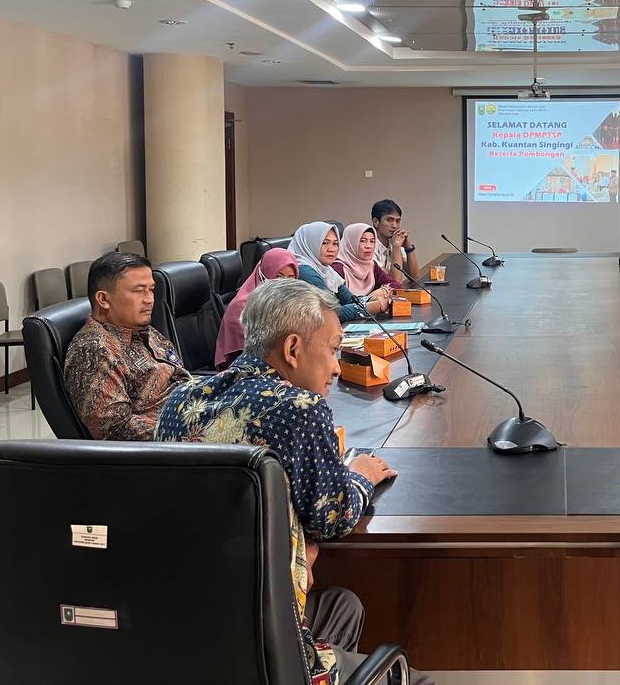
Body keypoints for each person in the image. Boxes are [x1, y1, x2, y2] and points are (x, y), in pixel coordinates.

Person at [154, 279, 433, 685]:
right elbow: (332, 518)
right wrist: (359, 476)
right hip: (261, 640)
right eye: (333, 349)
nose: (337, 367)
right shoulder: (300, 408)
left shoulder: (180, 400)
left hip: (182, 629)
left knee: (343, 607)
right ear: (292, 349)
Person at [63, 251, 190, 440]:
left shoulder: (142, 330)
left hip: (193, 407)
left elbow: (180, 375)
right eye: (138, 291)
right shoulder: (94, 350)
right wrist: (194, 429)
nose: (149, 299)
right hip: (177, 440)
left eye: (151, 289)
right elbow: (116, 429)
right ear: (103, 299)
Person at [214, 247, 297, 369]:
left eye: (290, 277)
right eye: (278, 276)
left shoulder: (289, 301)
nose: (284, 284)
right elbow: (253, 351)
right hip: (244, 368)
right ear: (263, 274)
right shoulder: (243, 306)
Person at [288, 221, 390, 318]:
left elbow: (349, 299)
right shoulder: (305, 271)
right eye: (325, 243)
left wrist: (371, 299)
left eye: (335, 244)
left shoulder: (327, 270)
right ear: (310, 244)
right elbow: (329, 312)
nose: (331, 249)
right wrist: (371, 307)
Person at [336, 223, 400, 299]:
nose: (368, 246)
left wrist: (383, 291)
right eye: (363, 241)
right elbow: (342, 301)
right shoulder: (337, 268)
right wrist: (368, 299)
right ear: (351, 243)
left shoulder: (371, 265)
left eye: (372, 241)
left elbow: (395, 285)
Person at [371, 199, 420, 285]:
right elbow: (395, 283)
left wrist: (408, 248)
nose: (395, 226)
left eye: (397, 221)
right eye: (389, 220)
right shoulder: (369, 247)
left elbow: (415, 277)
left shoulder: (394, 242)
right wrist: (396, 247)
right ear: (376, 222)